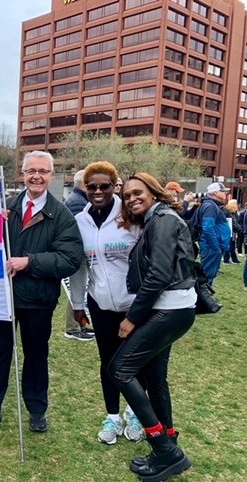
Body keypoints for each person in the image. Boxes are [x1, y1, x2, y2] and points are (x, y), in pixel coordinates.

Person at [0, 151, 83, 434]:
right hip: (3, 298)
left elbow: (70, 258)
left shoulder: (61, 215)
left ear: (51, 176)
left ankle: (36, 409)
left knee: (35, 356)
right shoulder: (6, 208)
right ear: (22, 174)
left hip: (38, 300)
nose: (36, 176)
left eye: (43, 171)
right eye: (31, 170)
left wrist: (30, 262)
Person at [112, 173, 195, 480]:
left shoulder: (162, 220)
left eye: (138, 192)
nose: (132, 198)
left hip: (169, 310)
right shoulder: (158, 218)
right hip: (174, 308)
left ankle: (165, 449)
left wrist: (133, 317)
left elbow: (159, 274)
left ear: (154, 192)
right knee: (155, 377)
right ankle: (168, 440)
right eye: (127, 195)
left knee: (119, 370)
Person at [68, 162, 144, 445]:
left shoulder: (131, 217)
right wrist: (78, 304)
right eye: (92, 187)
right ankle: (112, 416)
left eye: (104, 186)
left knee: (135, 363)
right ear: (84, 188)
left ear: (115, 187)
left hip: (134, 305)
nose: (98, 191)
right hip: (99, 304)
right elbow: (79, 268)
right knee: (109, 363)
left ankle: (136, 414)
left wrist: (142, 307)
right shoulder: (81, 221)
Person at [63, 169, 95, 342]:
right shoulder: (78, 202)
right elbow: (80, 231)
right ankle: (74, 327)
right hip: (78, 254)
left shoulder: (78, 199)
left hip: (79, 253)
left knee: (80, 290)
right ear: (84, 184)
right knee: (76, 290)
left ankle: (81, 325)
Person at [198, 182, 230, 284]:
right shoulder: (211, 206)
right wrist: (215, 247)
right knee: (207, 277)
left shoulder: (212, 205)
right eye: (223, 191)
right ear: (215, 192)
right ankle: (203, 298)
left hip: (212, 246)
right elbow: (207, 228)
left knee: (209, 276)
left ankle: (206, 297)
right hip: (210, 247)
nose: (226, 194)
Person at [223, 199, 240, 264]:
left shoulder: (233, 214)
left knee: (232, 246)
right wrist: (239, 228)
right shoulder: (229, 214)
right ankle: (226, 259)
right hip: (230, 232)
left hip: (233, 232)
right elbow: (234, 223)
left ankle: (233, 259)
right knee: (229, 246)